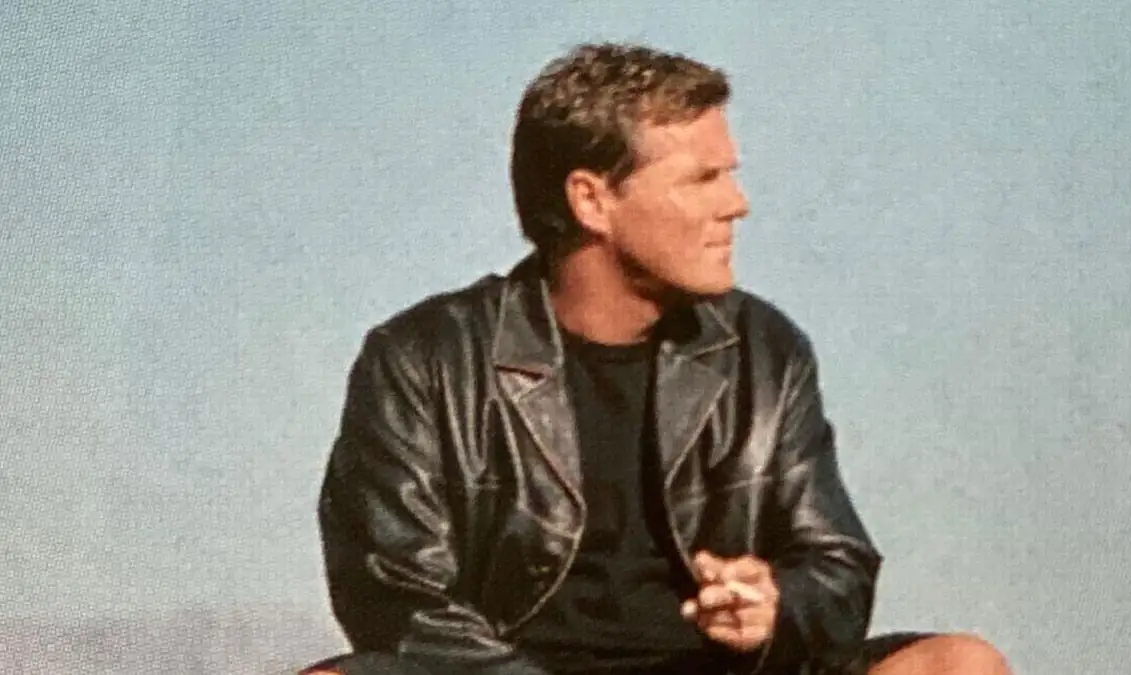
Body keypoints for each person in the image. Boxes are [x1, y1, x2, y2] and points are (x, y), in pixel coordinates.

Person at [305, 42, 1011, 675]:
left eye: (729, 175)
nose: (736, 204)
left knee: (961, 666)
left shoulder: (765, 349)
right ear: (591, 200)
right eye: (702, 179)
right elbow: (391, 594)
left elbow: (837, 564)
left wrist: (775, 608)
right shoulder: (423, 359)